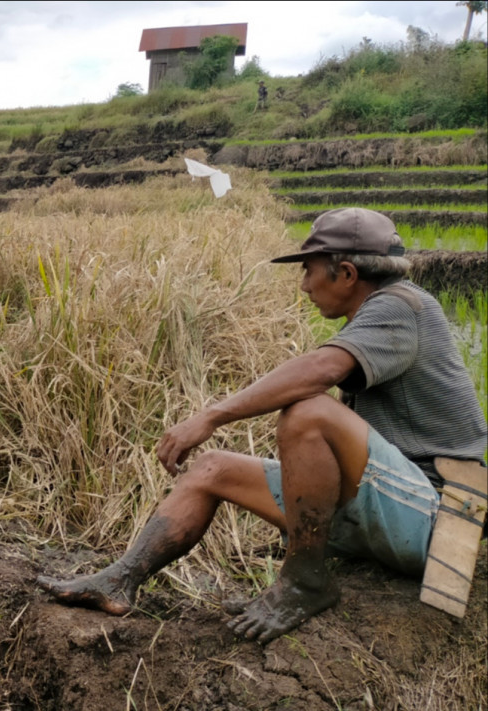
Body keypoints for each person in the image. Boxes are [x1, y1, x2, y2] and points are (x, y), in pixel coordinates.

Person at [37, 208, 487, 644]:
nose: (304, 285)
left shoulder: (402, 306)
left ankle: (304, 582)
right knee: (211, 468)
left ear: (347, 273)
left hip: (438, 517)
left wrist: (211, 415)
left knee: (308, 412)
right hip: (388, 505)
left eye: (309, 270)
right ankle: (119, 580)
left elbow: (320, 370)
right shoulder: (374, 316)